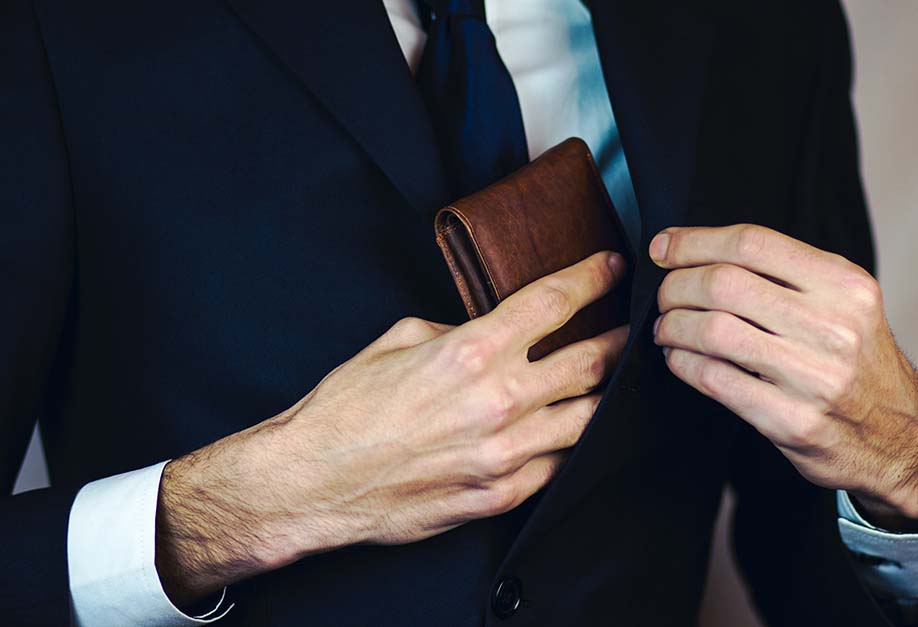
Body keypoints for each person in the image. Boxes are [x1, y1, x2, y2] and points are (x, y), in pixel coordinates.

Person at [2, 0, 916, 625]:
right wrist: (243, 506)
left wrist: (902, 462)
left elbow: (807, 573)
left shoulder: (769, 27)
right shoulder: (56, 24)